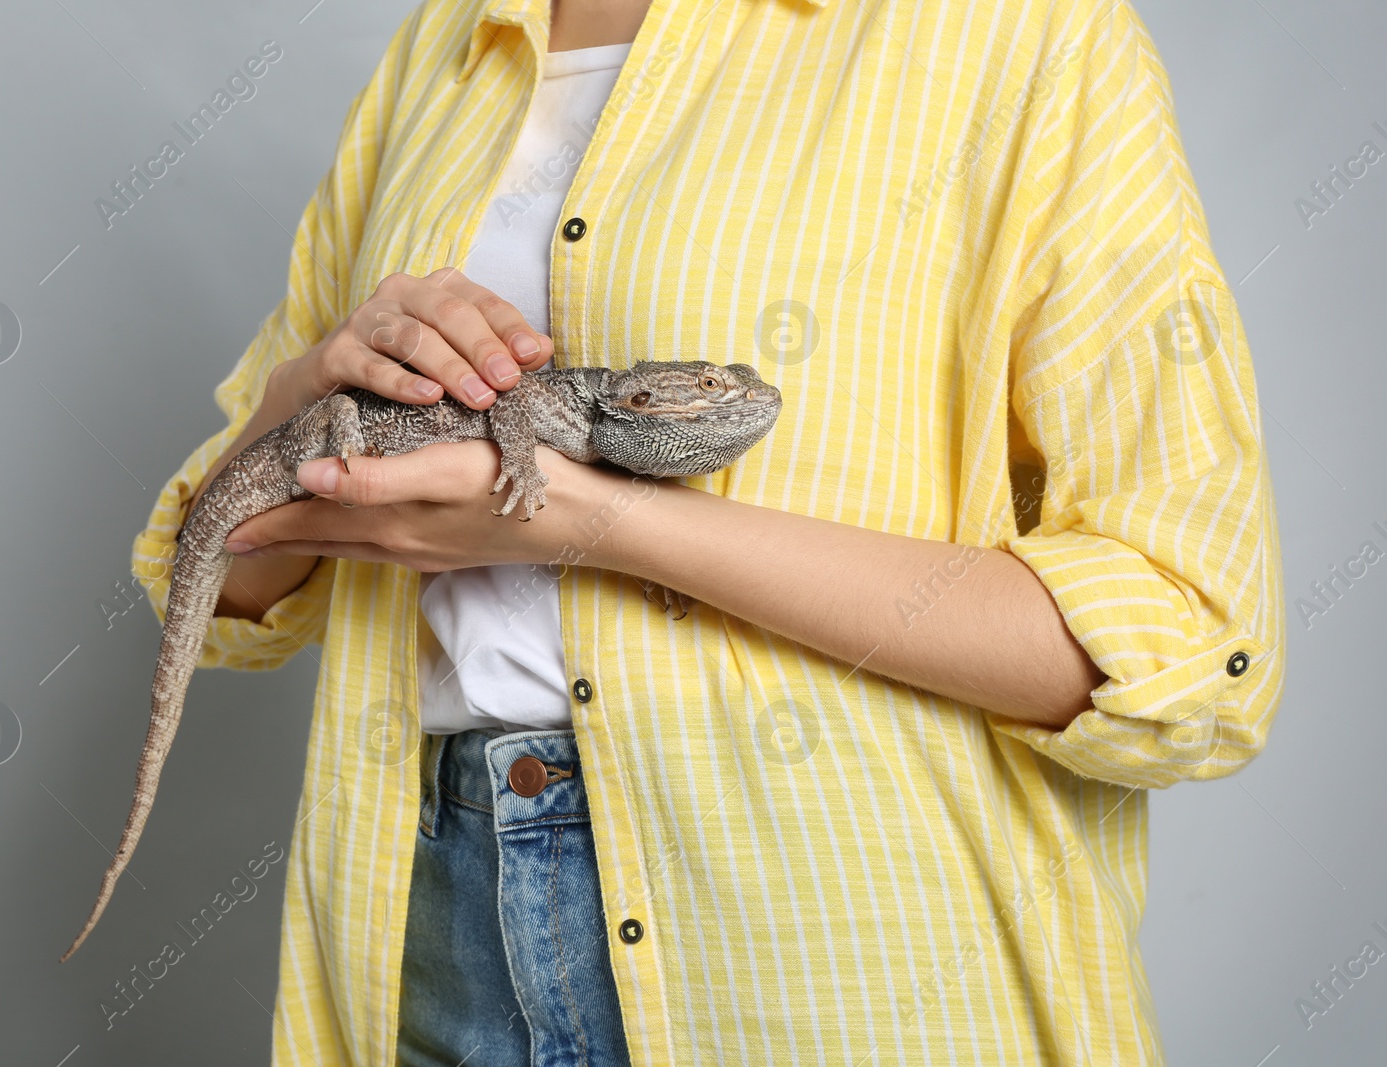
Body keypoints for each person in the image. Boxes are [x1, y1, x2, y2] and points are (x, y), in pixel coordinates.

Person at [131, 0, 1285, 1062]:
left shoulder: (1013, 33)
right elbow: (223, 570)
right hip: (431, 913)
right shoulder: (447, 46)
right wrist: (316, 384)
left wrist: (602, 523)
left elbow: (1190, 655)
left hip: (833, 941)